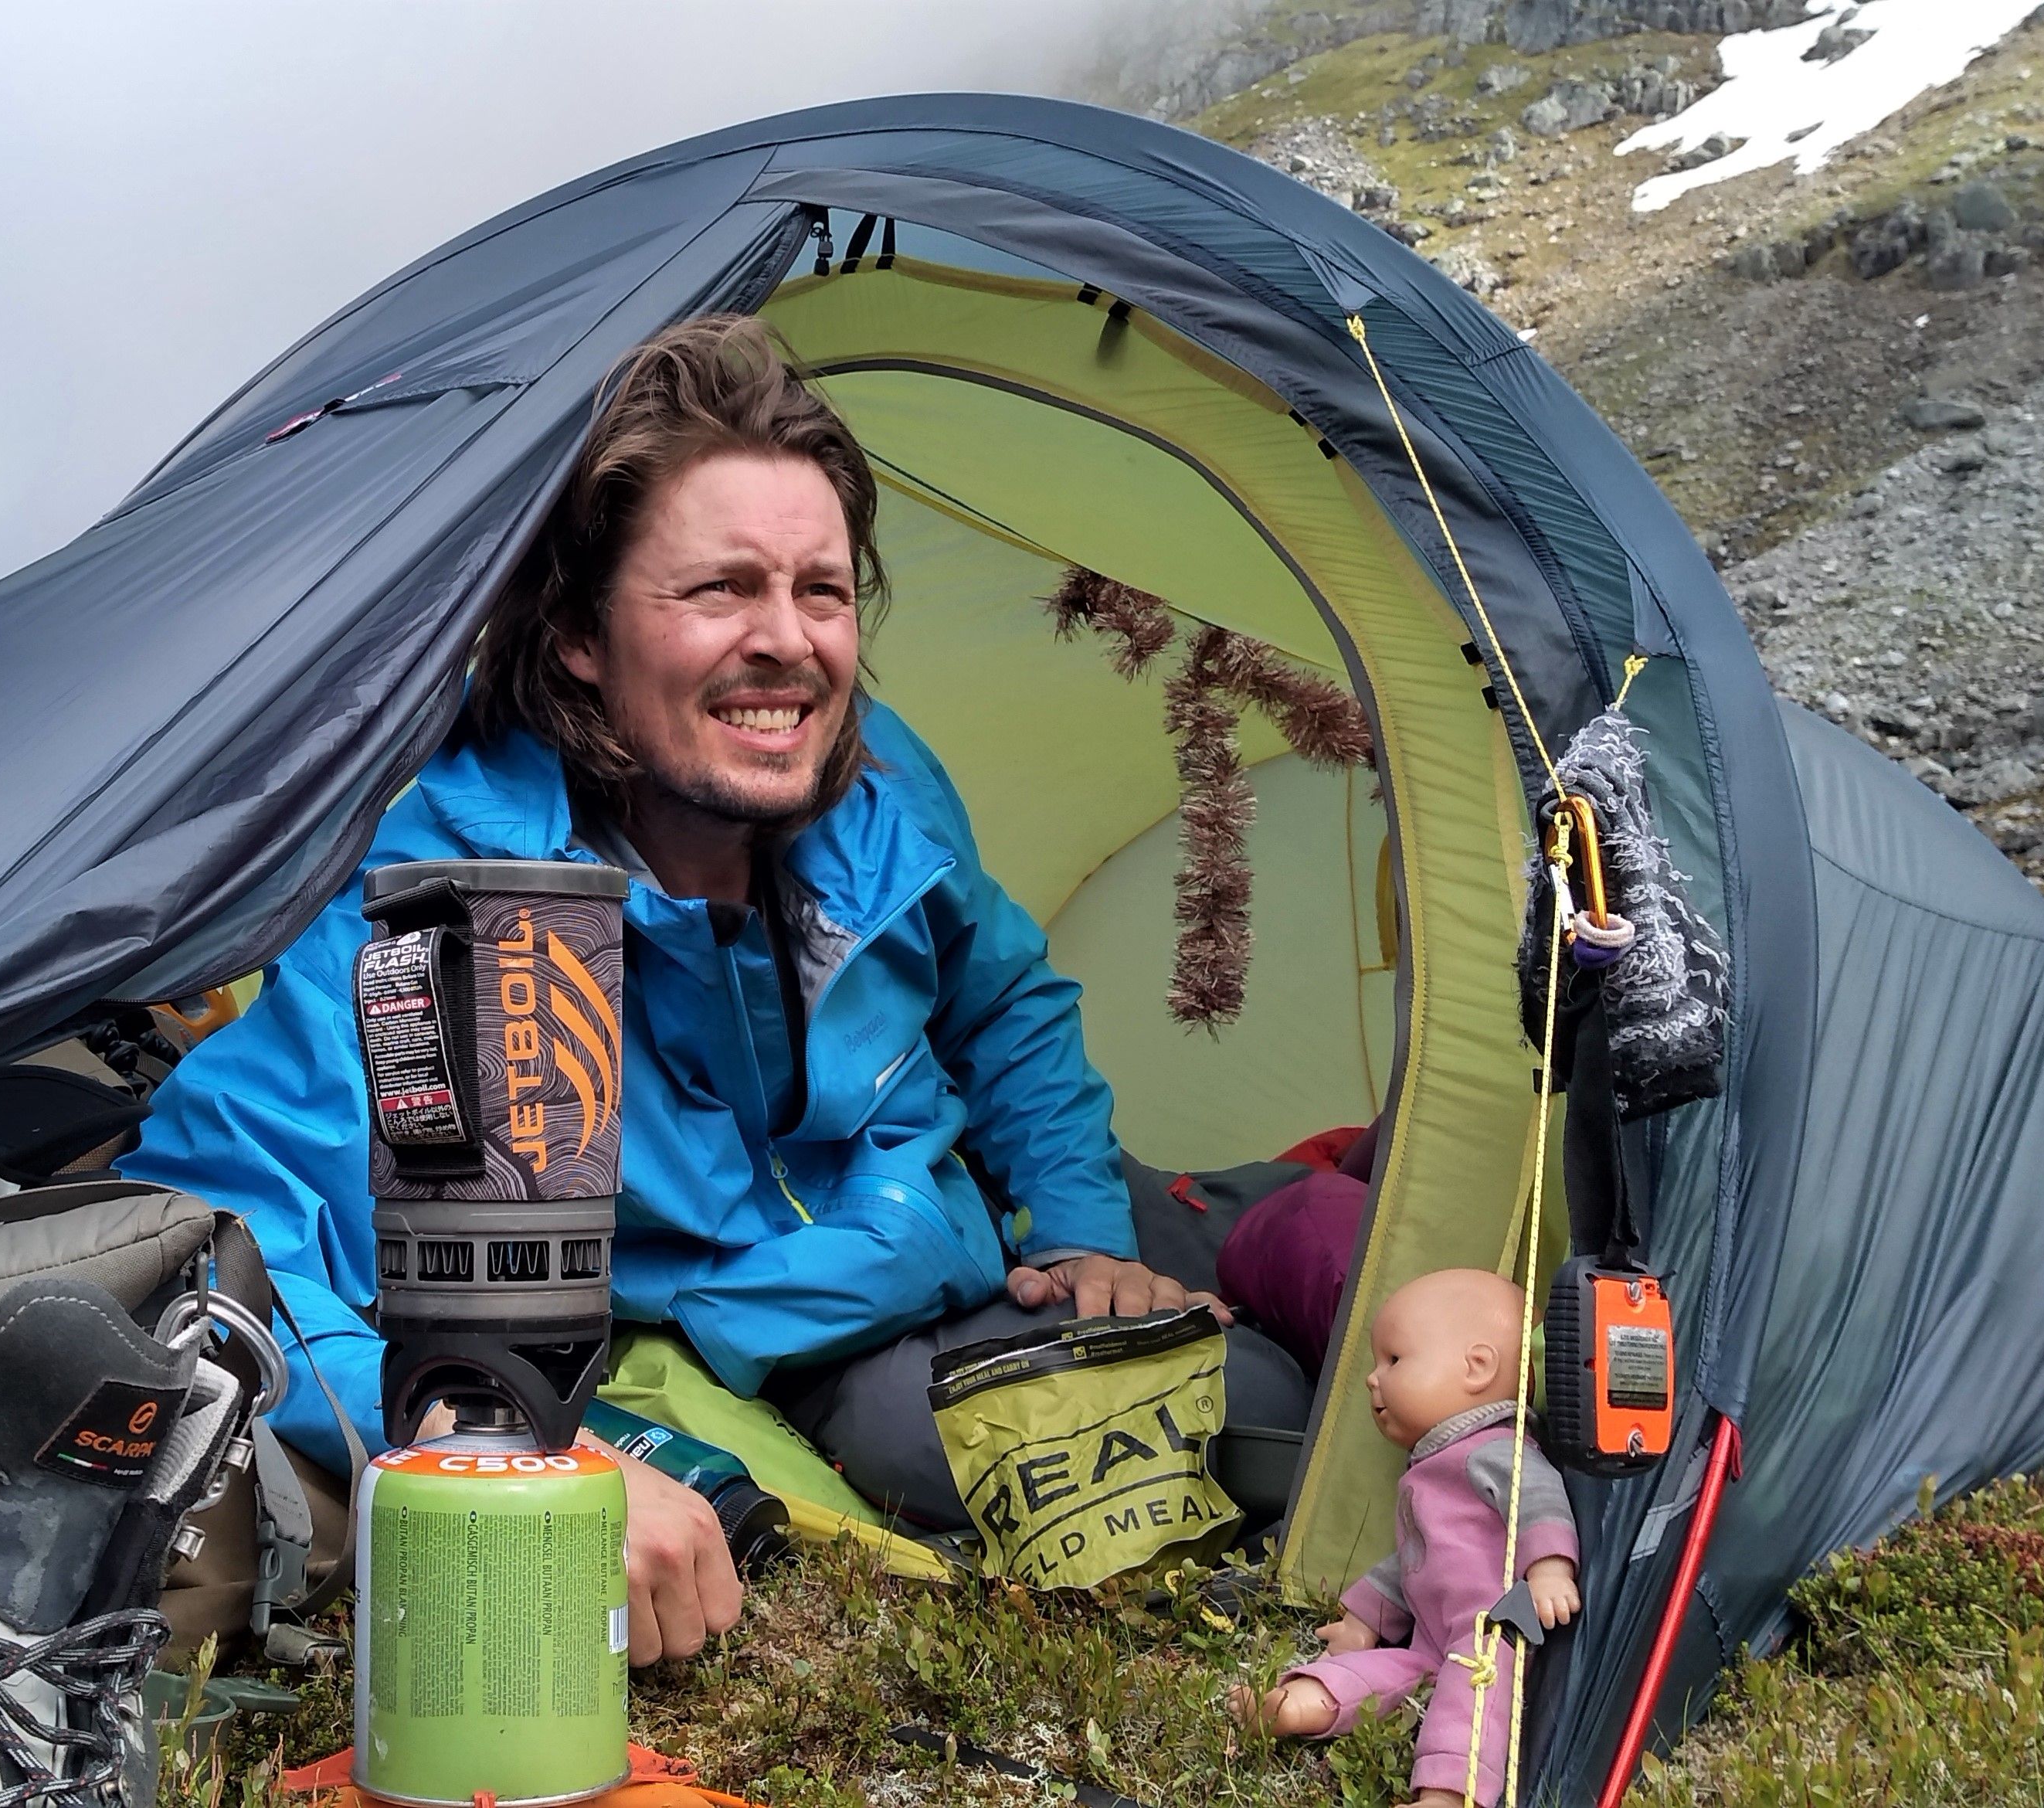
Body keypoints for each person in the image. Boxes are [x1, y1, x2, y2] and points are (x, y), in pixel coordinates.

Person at [124, 314, 1313, 1666]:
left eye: (822, 591)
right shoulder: (466, 904)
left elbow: (1005, 1007)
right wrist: (485, 1446)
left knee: (1368, 1261)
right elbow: (221, 1230)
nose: (788, 645)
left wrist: (1088, 1231)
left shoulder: (873, 785)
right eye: (719, 591)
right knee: (1264, 1406)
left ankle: (1243, 1220)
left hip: (981, 1211)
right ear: (579, 635)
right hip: (809, 1324)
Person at [1232, 1269, 1578, 1808]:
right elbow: (1414, 1558)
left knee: (1475, 1688)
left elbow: (1540, 1497)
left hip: (1498, 1623)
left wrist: (1550, 1566)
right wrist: (1364, 1619)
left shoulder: (1495, 1450)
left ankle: (1448, 1794)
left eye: (1394, 1360)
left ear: (1478, 1367)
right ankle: (1304, 1701)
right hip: (1432, 1639)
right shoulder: (1429, 1466)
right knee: (1386, 1673)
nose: (1374, 1379)